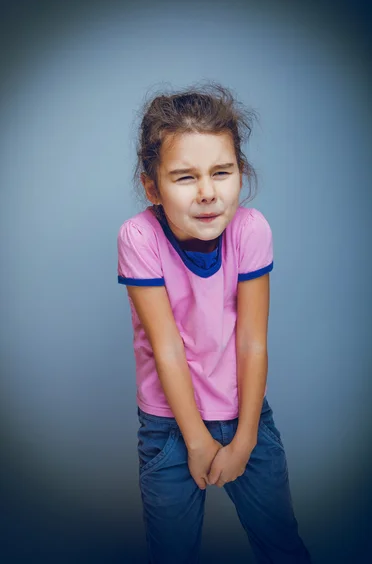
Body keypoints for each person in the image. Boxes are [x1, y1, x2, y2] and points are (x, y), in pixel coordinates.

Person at [117, 83, 312, 564]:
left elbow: (252, 342)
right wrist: (197, 439)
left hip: (245, 412)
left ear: (239, 174)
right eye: (185, 177)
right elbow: (166, 348)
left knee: (281, 544)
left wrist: (244, 439)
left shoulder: (251, 229)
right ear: (151, 186)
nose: (207, 192)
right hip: (168, 425)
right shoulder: (138, 236)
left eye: (221, 172)